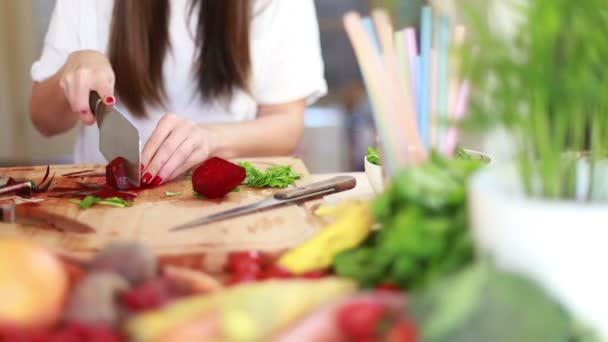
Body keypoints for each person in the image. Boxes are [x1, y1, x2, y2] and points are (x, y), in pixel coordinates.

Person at [29, 0, 326, 186]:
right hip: (102, 207)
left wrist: (211, 140)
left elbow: (286, 125)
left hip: (225, 205)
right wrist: (73, 68)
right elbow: (44, 121)